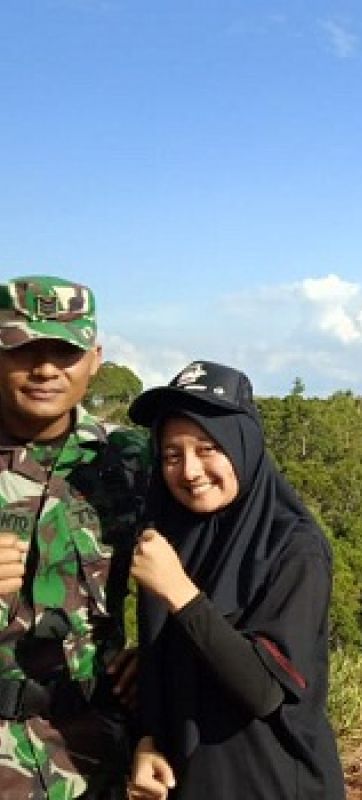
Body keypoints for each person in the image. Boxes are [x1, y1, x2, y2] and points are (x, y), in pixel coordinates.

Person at [126, 361, 344, 800]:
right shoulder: (171, 534)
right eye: (172, 454)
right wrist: (147, 738)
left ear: (242, 445)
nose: (188, 470)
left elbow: (263, 691)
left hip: (274, 784)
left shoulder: (294, 548)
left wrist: (179, 592)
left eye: (208, 448)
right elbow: (166, 651)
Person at [0, 275, 147, 799]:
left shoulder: (132, 462)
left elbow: (200, 573)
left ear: (94, 358)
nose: (44, 369)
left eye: (64, 352)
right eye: (24, 349)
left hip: (94, 752)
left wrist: (160, 655)